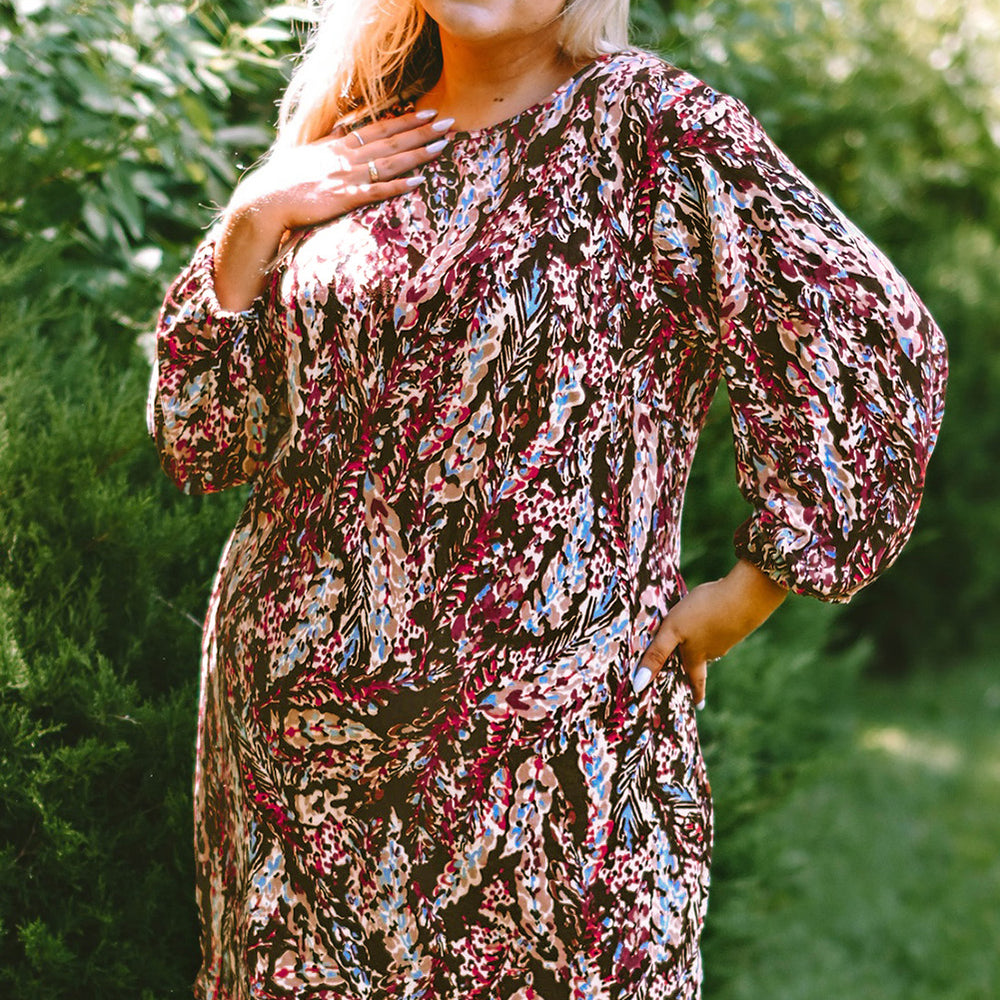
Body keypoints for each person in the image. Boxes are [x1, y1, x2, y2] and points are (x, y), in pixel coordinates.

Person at [147, 0, 947, 997]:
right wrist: (253, 218)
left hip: (548, 778)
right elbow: (210, 440)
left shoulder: (649, 133)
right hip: (297, 771)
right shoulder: (358, 142)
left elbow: (871, 336)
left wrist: (751, 590)